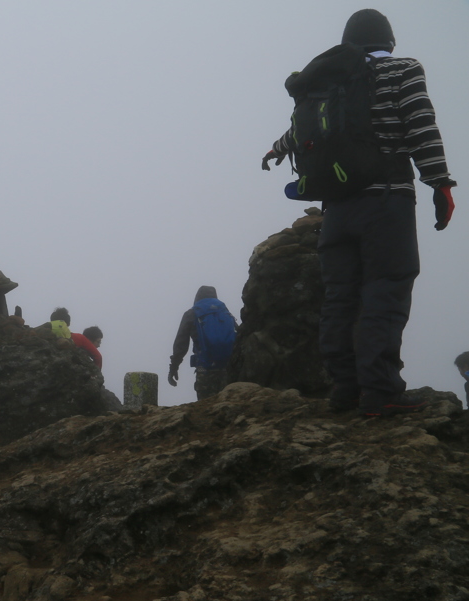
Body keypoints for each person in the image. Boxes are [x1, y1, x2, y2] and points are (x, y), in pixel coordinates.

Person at [262, 9, 456, 417]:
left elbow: (303, 131)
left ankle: (344, 389)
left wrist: (277, 149)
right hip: (386, 201)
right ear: (388, 41)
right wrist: (439, 182)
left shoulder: (329, 82)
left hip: (337, 207)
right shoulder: (401, 70)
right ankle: (380, 391)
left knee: (339, 298)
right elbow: (421, 124)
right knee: (385, 290)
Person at [168, 286, 238, 400]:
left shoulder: (192, 313)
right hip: (228, 369)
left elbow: (181, 344)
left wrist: (174, 367)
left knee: (206, 409)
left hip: (205, 369)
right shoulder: (225, 312)